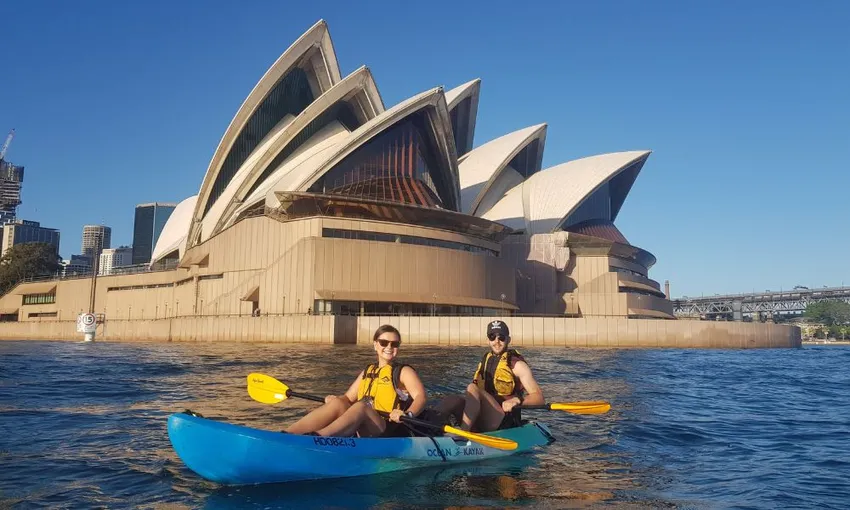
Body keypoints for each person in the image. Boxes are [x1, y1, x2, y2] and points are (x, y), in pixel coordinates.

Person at [285, 324, 427, 437]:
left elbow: (421, 396)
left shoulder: (403, 371)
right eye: (384, 342)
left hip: (387, 428)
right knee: (339, 403)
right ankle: (288, 434)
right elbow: (347, 398)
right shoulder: (368, 371)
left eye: (394, 344)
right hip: (365, 425)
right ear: (375, 345)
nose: (389, 347)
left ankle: (319, 437)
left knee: (361, 406)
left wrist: (408, 414)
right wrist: (333, 400)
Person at [437, 320, 544, 432]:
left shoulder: (518, 365)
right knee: (452, 400)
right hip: (483, 416)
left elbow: (539, 398)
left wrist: (517, 400)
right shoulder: (485, 361)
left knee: (472, 387)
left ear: (508, 339)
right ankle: (429, 426)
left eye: (501, 337)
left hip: (503, 419)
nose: (497, 341)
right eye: (492, 337)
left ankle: (463, 433)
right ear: (488, 340)